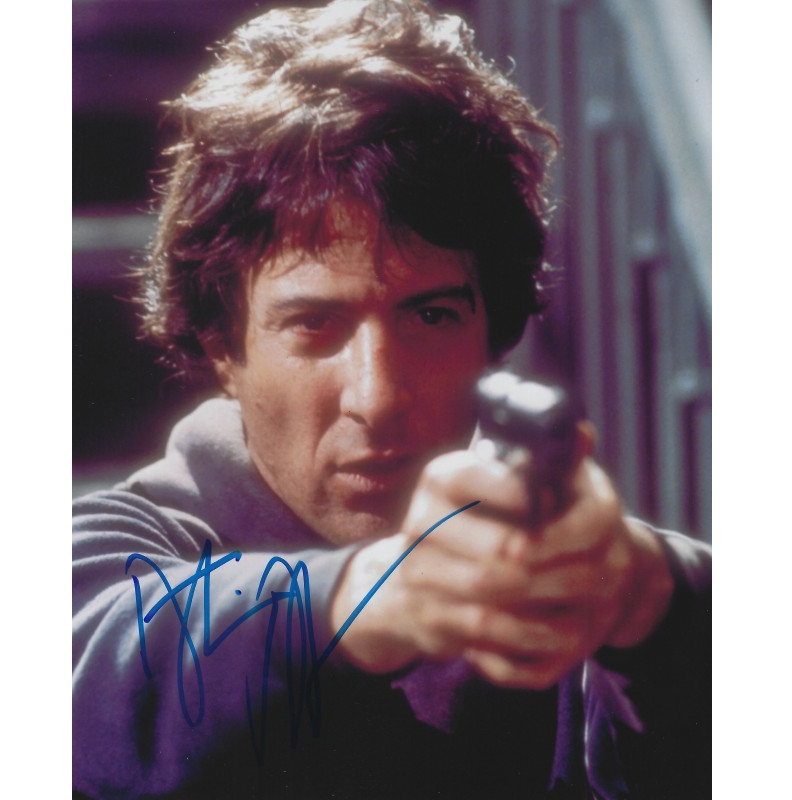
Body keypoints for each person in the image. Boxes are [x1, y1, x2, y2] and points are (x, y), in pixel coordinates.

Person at [72, 1, 711, 798]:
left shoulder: (552, 579)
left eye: (431, 316)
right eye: (315, 326)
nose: (377, 398)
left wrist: (650, 597)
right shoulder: (107, 555)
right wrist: (379, 597)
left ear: (494, 333)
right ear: (221, 345)